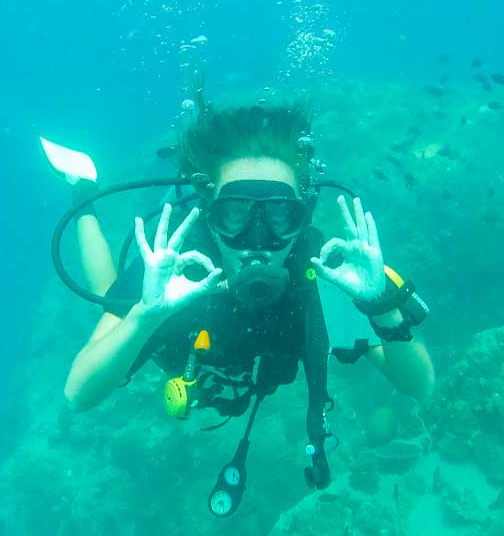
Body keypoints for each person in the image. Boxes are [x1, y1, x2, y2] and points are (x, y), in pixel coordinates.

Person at [53, 102, 434, 515]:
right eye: (234, 213)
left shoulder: (327, 275)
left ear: (302, 216)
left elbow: (420, 385)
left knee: (116, 316)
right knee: (112, 302)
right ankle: (83, 193)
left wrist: (380, 307)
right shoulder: (175, 267)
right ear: (209, 213)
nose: (257, 239)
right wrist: (148, 314)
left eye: (279, 215)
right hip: (178, 342)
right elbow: (77, 394)